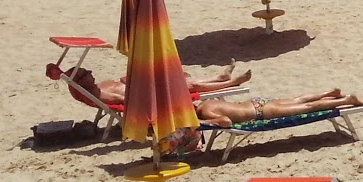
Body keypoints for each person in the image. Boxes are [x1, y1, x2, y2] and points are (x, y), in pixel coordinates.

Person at [55, 64, 251, 106]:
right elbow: (129, 102)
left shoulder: (98, 87)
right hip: (146, 95)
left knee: (184, 81)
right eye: (86, 73)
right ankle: (231, 82)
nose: (91, 71)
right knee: (187, 87)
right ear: (82, 82)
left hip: (143, 87)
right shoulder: (101, 96)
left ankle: (219, 79)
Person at [194, 89, 363, 127]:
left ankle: (347, 99)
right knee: (297, 98)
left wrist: (204, 122)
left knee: (307, 107)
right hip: (258, 103)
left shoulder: (205, 112)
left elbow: (226, 121)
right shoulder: (207, 102)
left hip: (260, 112)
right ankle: (330, 93)